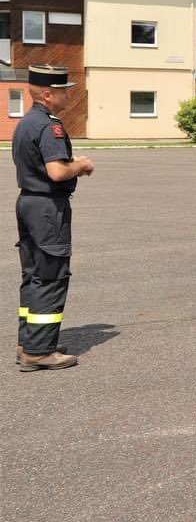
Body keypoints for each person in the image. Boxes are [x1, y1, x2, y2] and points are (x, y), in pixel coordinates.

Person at [13, 65, 93, 371]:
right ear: (48, 94)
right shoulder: (49, 126)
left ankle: (30, 342)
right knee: (50, 276)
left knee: (33, 274)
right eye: (63, 90)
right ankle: (39, 351)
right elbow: (57, 171)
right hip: (47, 209)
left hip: (29, 204)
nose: (67, 94)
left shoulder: (25, 123)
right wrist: (80, 165)